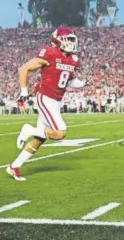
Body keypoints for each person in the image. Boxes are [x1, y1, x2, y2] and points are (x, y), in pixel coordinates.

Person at [6, 27, 89, 181]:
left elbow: (71, 81)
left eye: (72, 39)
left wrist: (83, 83)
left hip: (57, 101)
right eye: (67, 39)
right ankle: (29, 130)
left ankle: (14, 166)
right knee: (60, 132)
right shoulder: (50, 53)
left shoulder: (73, 59)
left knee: (39, 140)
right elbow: (24, 69)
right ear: (57, 40)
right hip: (45, 98)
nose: (70, 43)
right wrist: (24, 92)